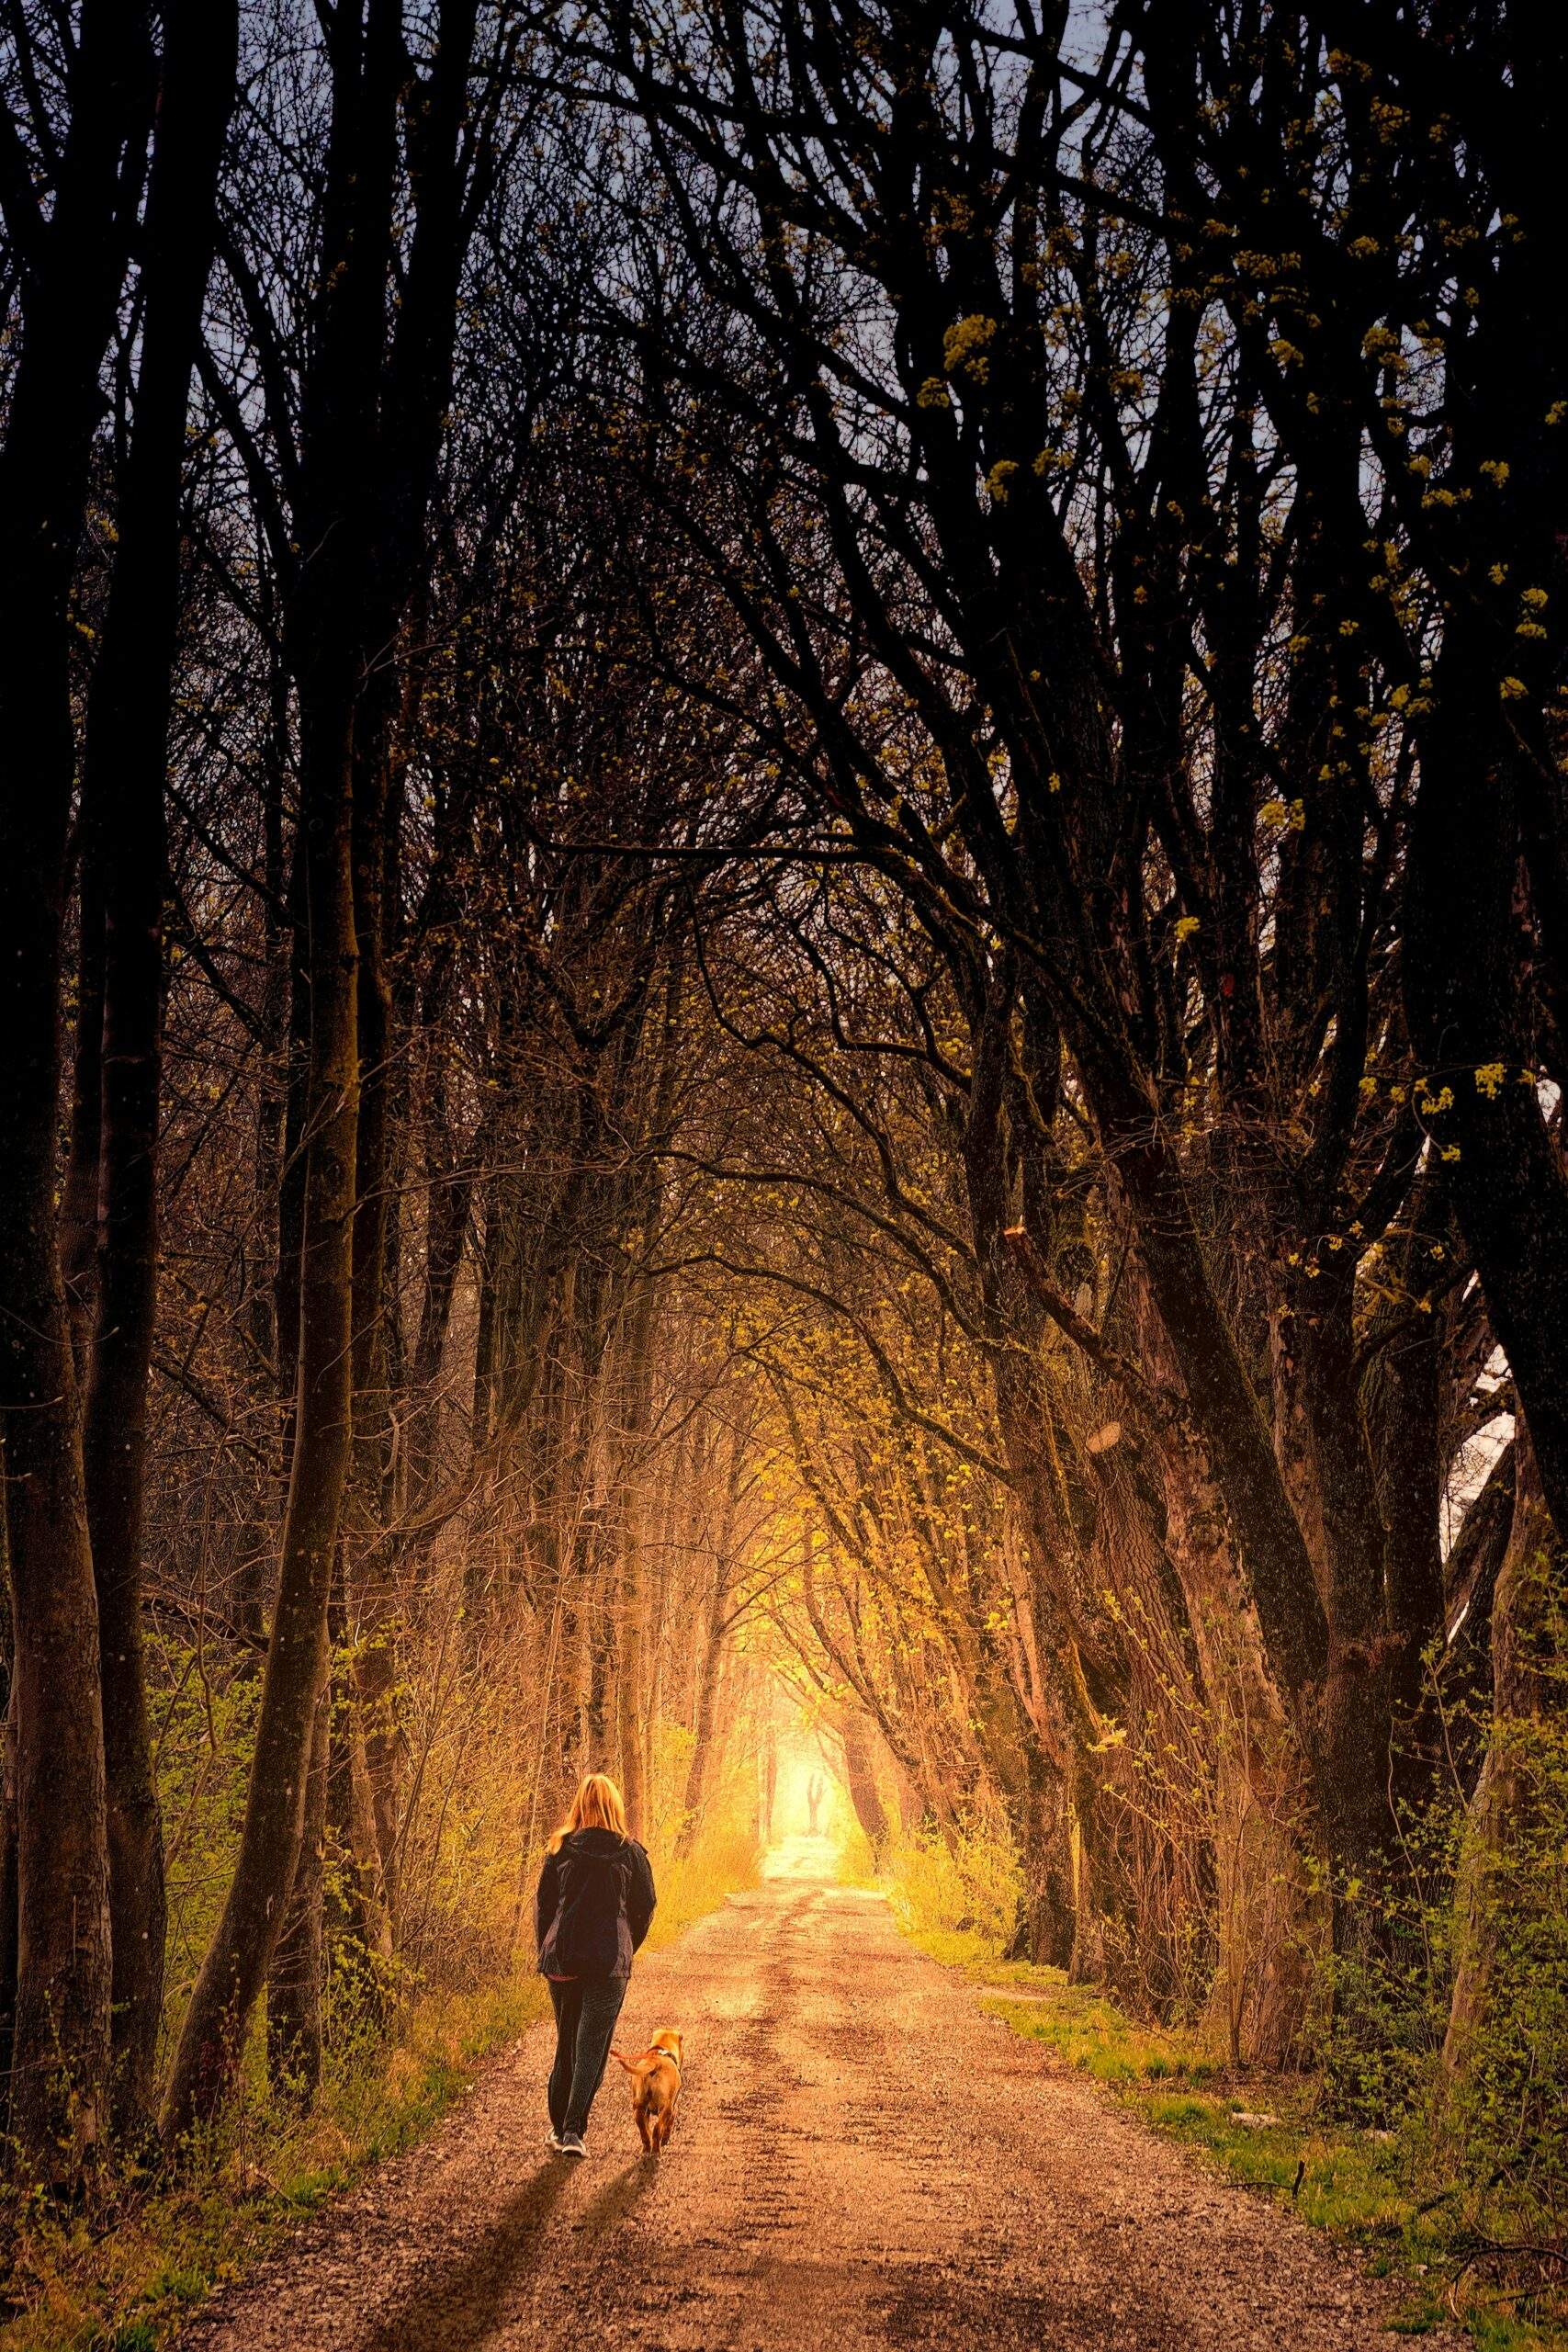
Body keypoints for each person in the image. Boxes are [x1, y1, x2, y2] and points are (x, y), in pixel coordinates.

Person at [535, 1770, 656, 2157]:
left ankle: (559, 2128)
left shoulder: (560, 1848)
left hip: (563, 1961)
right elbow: (645, 1907)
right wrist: (627, 1947)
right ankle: (572, 2132)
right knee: (591, 2049)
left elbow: (544, 1908)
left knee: (567, 2043)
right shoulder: (631, 1853)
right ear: (614, 1806)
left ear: (580, 1805)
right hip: (608, 1965)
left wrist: (548, 1949)